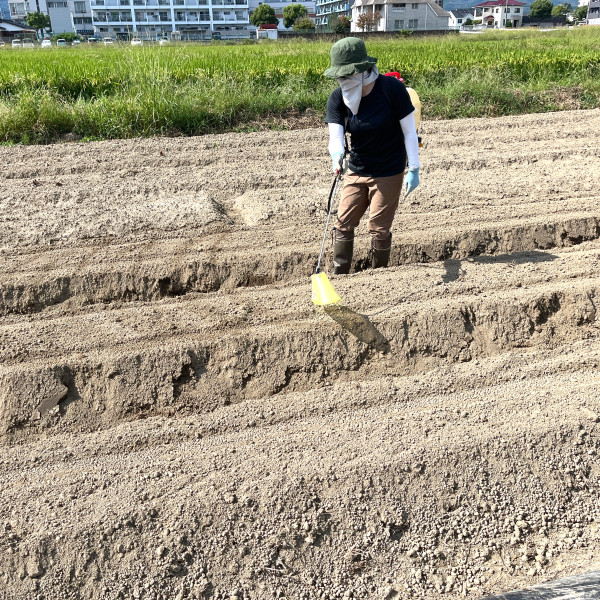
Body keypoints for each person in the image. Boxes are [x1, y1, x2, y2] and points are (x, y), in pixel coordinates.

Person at [324, 37, 420, 274]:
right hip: (357, 169)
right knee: (343, 223)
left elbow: (409, 132)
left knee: (378, 228)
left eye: (347, 75)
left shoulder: (392, 90)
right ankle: (340, 274)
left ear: (363, 70)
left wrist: (414, 169)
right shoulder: (338, 98)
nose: (343, 80)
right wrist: (336, 154)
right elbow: (335, 135)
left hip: (388, 171)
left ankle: (377, 277)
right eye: (340, 76)